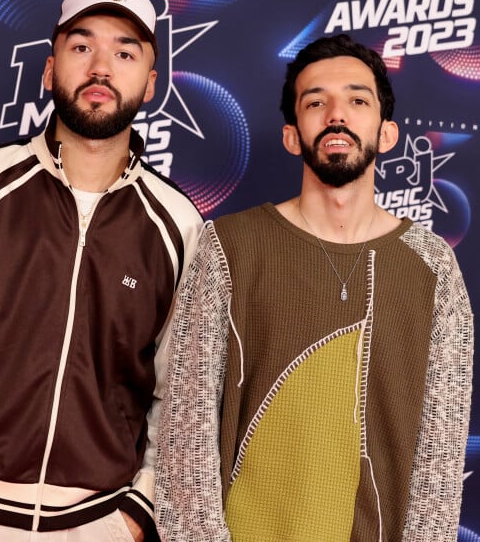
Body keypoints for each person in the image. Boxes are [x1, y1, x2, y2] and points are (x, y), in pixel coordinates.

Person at [0, 0, 203, 542]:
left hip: (98, 524)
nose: (101, 68)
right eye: (81, 46)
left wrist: (139, 511)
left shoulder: (178, 224)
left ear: (151, 80)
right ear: (48, 66)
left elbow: (181, 392)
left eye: (125, 52)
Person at [155, 33, 474, 542]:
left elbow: (439, 457)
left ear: (386, 132)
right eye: (315, 101)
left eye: (356, 99)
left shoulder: (433, 266)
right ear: (291, 134)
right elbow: (185, 438)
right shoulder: (228, 248)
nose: (336, 114)